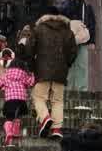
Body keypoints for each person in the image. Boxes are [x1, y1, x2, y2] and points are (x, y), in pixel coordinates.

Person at [28, 9, 78, 139]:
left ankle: (45, 118)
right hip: (61, 71)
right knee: (58, 100)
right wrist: (66, 64)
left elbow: (29, 48)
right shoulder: (67, 31)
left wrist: (33, 65)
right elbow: (73, 52)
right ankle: (56, 128)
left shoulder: (39, 29)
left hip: (42, 69)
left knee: (39, 97)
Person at [0, 51, 34, 146]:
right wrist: (32, 75)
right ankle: (15, 133)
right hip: (21, 101)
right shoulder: (23, 75)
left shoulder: (6, 75)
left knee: (9, 118)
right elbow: (31, 83)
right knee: (18, 116)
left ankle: (9, 133)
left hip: (10, 100)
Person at [59, 0, 99, 92]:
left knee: (82, 65)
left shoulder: (86, 6)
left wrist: (92, 41)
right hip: (69, 40)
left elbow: (91, 24)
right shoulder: (64, 4)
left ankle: (82, 90)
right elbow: (62, 14)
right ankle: (68, 89)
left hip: (83, 40)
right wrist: (70, 1)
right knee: (69, 66)